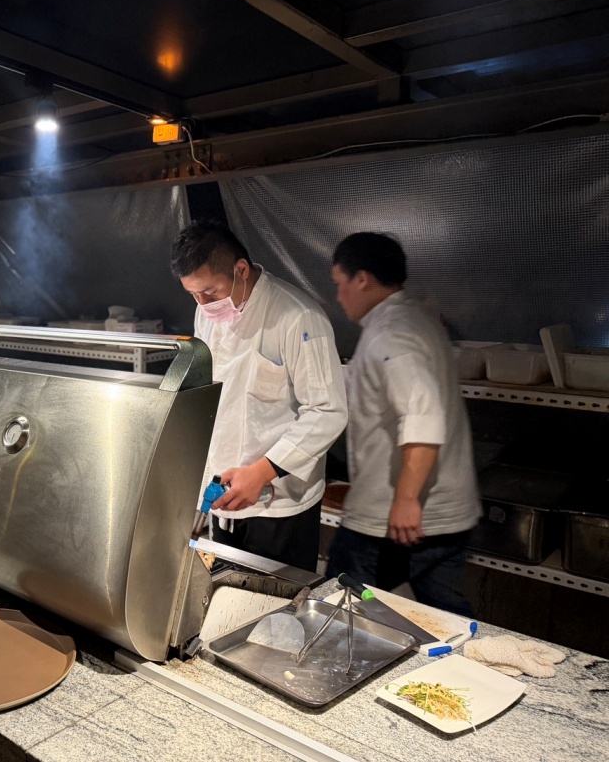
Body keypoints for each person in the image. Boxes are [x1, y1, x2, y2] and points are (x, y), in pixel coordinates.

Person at [171, 220, 348, 571]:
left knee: (276, 614)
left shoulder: (298, 318)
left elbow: (328, 412)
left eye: (209, 292)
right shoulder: (205, 313)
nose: (202, 304)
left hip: (279, 504)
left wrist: (262, 472)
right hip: (223, 494)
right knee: (225, 601)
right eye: (193, 294)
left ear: (241, 270)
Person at [327, 232, 481, 616]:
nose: (338, 296)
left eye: (339, 284)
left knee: (340, 606)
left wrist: (407, 499)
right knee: (443, 616)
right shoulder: (414, 317)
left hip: (394, 516)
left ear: (361, 279)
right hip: (446, 512)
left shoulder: (392, 332)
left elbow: (422, 414)